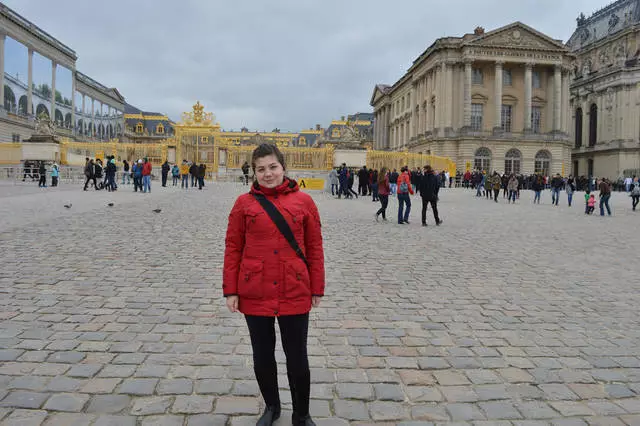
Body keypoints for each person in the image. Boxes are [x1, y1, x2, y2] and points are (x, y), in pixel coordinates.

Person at [223, 143, 324, 426]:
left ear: (283, 167)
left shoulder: (304, 202)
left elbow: (315, 247)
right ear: (254, 172)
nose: (268, 174)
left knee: (297, 356)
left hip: (294, 286)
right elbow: (233, 247)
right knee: (263, 354)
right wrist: (230, 290)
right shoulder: (243, 204)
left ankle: (301, 414)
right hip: (255, 288)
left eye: (273, 167)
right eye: (261, 169)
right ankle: (272, 406)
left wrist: (317, 288)